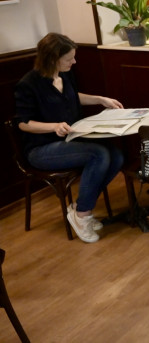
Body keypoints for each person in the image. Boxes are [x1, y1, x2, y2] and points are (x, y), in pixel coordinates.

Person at [14, 33, 125, 244]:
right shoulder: (28, 84)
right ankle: (82, 214)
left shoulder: (64, 75)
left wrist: (101, 99)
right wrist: (53, 126)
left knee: (116, 156)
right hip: (41, 149)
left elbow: (74, 96)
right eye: (69, 59)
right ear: (52, 59)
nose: (73, 62)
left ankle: (79, 207)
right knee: (98, 154)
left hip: (69, 141)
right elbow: (23, 123)